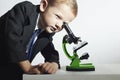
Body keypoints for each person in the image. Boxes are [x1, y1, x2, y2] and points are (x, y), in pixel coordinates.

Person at [0, 0, 78, 80]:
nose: (59, 25)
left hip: (11, 74)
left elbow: (50, 51)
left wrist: (54, 64)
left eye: (64, 24)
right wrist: (27, 67)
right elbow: (11, 38)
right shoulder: (25, 9)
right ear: (43, 5)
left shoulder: (47, 32)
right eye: (58, 17)